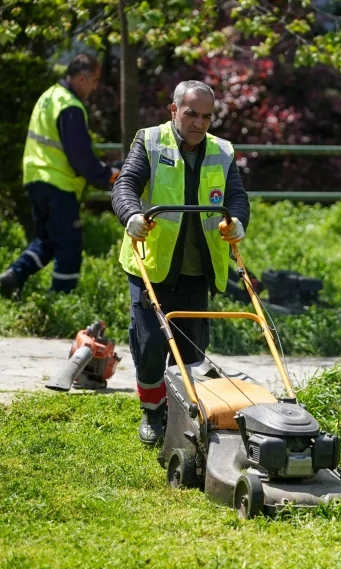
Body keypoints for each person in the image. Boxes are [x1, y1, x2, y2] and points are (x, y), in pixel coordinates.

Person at [111, 80, 250, 445]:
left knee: (191, 353)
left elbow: (236, 197)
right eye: (191, 114)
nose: (199, 124)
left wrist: (237, 222)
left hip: (196, 270)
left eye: (206, 116)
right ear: (174, 111)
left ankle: (180, 414)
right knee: (151, 344)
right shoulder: (151, 141)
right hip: (152, 263)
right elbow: (125, 185)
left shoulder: (222, 151)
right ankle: (152, 413)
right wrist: (131, 215)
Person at [0, 54, 120, 297]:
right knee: (69, 245)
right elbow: (79, 155)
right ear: (81, 78)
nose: (95, 87)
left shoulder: (48, 97)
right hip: (58, 184)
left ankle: (14, 276)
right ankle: (60, 299)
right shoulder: (70, 106)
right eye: (94, 81)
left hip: (36, 179)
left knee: (47, 241)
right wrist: (106, 175)